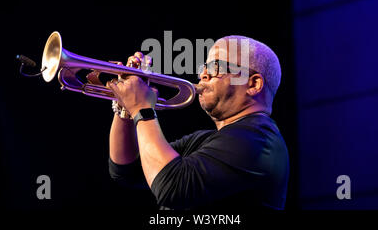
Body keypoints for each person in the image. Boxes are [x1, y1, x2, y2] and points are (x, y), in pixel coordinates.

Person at [106, 35, 289, 211]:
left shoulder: (258, 141)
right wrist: (126, 109)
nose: (203, 75)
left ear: (253, 84)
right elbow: (128, 171)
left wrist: (141, 107)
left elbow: (172, 188)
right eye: (204, 67)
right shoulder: (205, 140)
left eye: (216, 67)